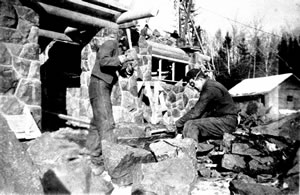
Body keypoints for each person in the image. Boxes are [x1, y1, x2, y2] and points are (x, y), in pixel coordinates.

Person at [85, 29, 137, 169]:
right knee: (107, 122)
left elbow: (121, 71)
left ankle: (94, 159)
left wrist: (128, 68)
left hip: (103, 85)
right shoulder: (110, 43)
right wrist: (124, 58)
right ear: (123, 38)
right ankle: (112, 165)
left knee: (98, 122)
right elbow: (103, 61)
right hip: (99, 83)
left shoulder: (119, 51)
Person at [175, 69, 239, 143]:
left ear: (200, 79)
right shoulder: (211, 85)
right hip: (226, 121)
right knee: (192, 122)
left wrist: (178, 123)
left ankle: (190, 151)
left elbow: (195, 112)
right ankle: (200, 147)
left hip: (227, 122)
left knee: (190, 124)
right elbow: (203, 112)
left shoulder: (210, 88)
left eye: (192, 84)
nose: (194, 88)